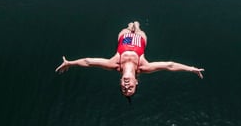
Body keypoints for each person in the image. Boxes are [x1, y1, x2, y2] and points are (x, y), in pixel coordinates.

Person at [56, 21, 204, 98]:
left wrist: (70, 63)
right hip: (140, 39)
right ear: (136, 82)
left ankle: (129, 26)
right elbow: (169, 65)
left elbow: (88, 62)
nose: (127, 86)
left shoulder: (113, 64)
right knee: (138, 29)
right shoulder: (144, 67)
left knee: (127, 28)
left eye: (124, 89)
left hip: (124, 38)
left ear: (120, 82)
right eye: (130, 88)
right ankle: (137, 26)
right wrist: (191, 68)